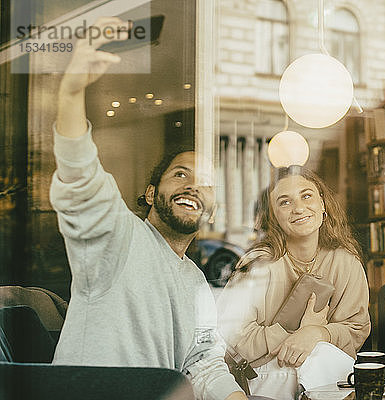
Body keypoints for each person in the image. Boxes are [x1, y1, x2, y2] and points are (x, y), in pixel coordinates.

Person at [50, 18, 246, 400]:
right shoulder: (117, 237)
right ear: (151, 192)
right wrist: (70, 94)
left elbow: (203, 361)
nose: (193, 185)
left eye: (205, 182)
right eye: (180, 174)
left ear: (213, 208)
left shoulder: (195, 281)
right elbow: (81, 178)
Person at [217, 166, 371, 399]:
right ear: (273, 217)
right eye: (284, 202)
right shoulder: (258, 264)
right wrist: (294, 331)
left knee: (321, 355)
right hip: (263, 375)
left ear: (323, 205)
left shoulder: (346, 262)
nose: (299, 208)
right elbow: (235, 339)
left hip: (323, 371)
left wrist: (317, 333)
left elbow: (357, 329)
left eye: (306, 195)